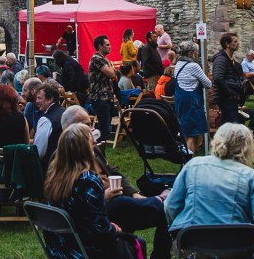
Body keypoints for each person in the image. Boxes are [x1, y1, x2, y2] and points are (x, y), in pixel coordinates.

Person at [60, 106, 171, 259]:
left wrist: (134, 193)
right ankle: (163, 201)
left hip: (102, 213)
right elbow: (80, 206)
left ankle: (161, 205)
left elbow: (111, 170)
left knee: (156, 210)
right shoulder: (68, 161)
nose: (92, 129)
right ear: (73, 129)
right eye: (87, 125)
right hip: (97, 216)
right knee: (128, 204)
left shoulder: (90, 149)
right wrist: (101, 197)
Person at [165, 123, 254, 259]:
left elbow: (170, 205)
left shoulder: (193, 165)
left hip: (194, 245)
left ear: (217, 140)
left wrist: (177, 232)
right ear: (247, 148)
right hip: (236, 248)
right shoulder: (250, 176)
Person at [44, 123, 146, 259]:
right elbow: (101, 231)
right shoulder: (88, 180)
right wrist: (114, 229)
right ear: (85, 150)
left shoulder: (54, 176)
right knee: (138, 242)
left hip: (59, 249)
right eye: (92, 145)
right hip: (85, 250)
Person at [171, 43, 211, 153]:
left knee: (187, 132)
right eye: (196, 51)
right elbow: (208, 84)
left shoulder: (179, 64)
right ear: (191, 53)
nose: (198, 54)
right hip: (193, 103)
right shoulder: (194, 66)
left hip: (180, 101)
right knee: (192, 135)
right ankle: (188, 162)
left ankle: (189, 157)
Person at [88, 35, 117, 143]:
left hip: (106, 96)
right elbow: (111, 74)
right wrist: (111, 68)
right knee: (104, 128)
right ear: (100, 46)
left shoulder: (104, 60)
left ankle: (99, 150)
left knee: (105, 126)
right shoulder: (97, 59)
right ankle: (97, 149)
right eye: (107, 45)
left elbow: (113, 73)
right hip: (100, 97)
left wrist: (111, 68)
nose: (110, 47)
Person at [32, 83, 65, 165]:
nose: (36, 101)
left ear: (50, 99)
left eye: (39, 98)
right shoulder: (65, 111)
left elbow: (38, 152)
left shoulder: (45, 120)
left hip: (50, 169)